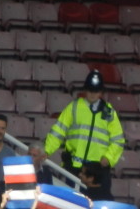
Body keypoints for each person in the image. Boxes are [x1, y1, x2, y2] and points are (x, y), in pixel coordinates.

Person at [44, 70, 124, 199]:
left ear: (101, 92)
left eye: (96, 91)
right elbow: (58, 131)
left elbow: (118, 140)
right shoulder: (74, 107)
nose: (92, 94)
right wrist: (47, 150)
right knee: (72, 206)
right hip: (75, 169)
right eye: (90, 90)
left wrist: (108, 158)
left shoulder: (109, 112)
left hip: (97, 172)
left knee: (98, 208)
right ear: (85, 90)